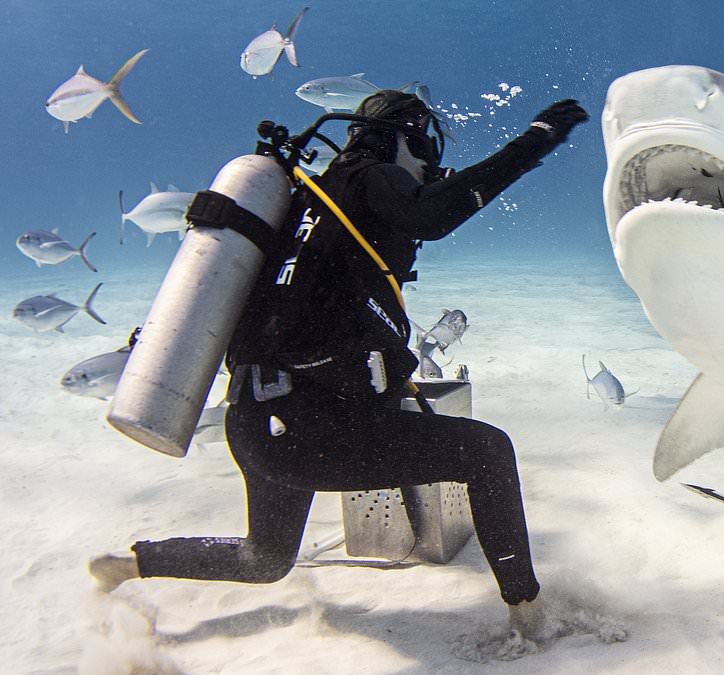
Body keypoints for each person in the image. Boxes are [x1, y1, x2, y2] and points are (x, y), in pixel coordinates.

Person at [89, 89, 589, 639]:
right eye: (422, 150)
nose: (429, 167)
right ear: (402, 136)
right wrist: (535, 140)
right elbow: (434, 213)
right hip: (317, 432)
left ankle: (127, 565)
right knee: (487, 452)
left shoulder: (304, 206)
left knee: (265, 558)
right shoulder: (371, 177)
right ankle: (531, 619)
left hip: (258, 426)